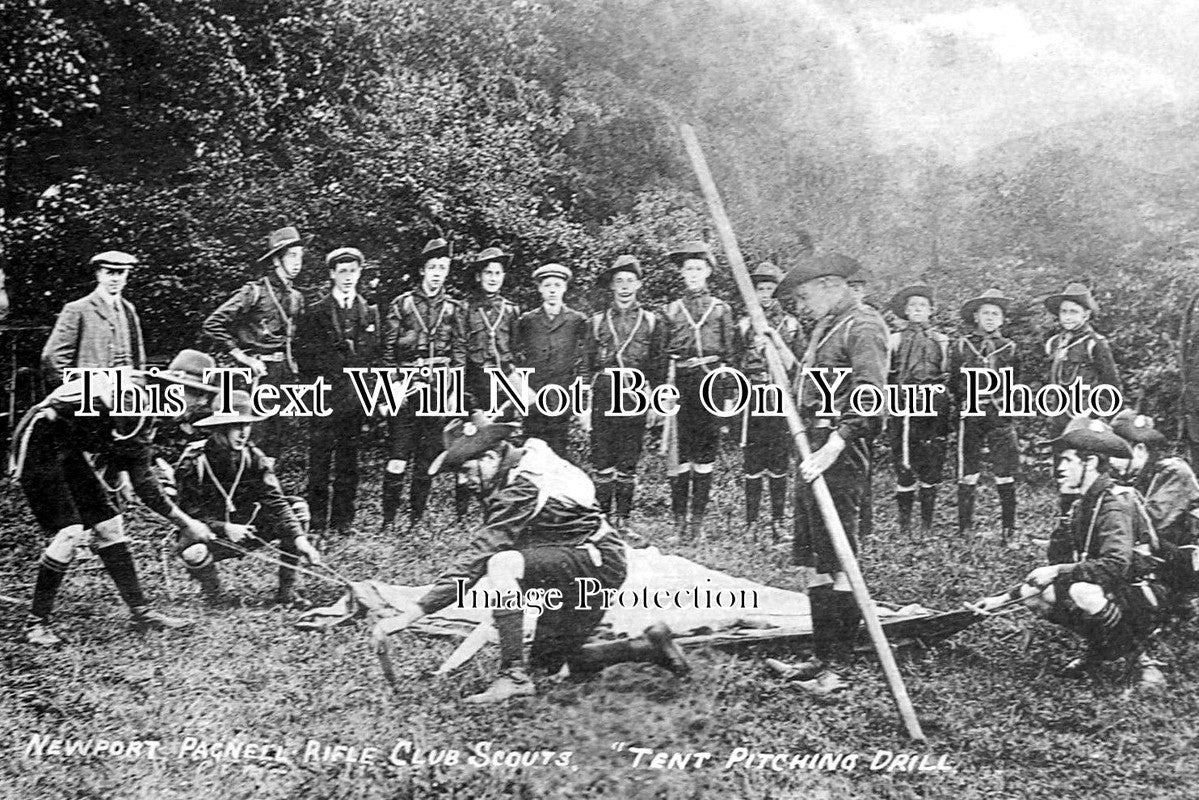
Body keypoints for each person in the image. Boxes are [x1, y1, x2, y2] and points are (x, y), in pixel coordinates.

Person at [372, 412, 689, 704]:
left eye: (467, 470)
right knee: (548, 666)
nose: (463, 482)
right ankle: (649, 647)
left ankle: (513, 676)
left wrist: (410, 614)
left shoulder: (524, 485)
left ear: (493, 456)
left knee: (501, 563)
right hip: (585, 565)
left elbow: (479, 555)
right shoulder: (520, 466)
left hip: (596, 564)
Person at [12, 350, 219, 646]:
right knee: (70, 531)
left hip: (65, 443)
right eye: (196, 393)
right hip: (40, 439)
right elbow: (144, 482)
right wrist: (187, 523)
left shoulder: (147, 408)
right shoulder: (134, 400)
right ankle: (36, 624)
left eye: (203, 395)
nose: (200, 402)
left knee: (110, 525)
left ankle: (141, 612)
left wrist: (117, 470)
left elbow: (123, 454)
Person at [973, 419, 1169, 689]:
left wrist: (1056, 572)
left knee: (1081, 592)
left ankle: (1143, 661)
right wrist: (1001, 599)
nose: (1059, 468)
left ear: (1089, 463)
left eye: (1067, 461)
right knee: (1040, 595)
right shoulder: (1081, 506)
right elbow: (1062, 566)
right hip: (1113, 590)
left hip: (1145, 593)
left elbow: (1116, 565)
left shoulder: (1114, 504)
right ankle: (1099, 650)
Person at [777, 253, 888, 676]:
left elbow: (869, 396)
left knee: (840, 555)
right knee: (815, 556)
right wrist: (778, 348)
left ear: (829, 285)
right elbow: (813, 382)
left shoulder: (864, 325)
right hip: (813, 444)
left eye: (804, 296)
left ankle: (836, 667)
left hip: (840, 449)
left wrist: (834, 446)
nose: (801, 306)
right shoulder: (826, 327)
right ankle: (820, 658)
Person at [172, 390, 324, 609]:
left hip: (248, 530)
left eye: (247, 425)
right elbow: (188, 517)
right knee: (192, 551)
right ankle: (214, 595)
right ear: (219, 427)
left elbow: (276, 501)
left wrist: (301, 540)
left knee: (297, 508)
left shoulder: (253, 457)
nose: (243, 433)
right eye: (236, 426)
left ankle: (287, 594)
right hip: (211, 536)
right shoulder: (194, 462)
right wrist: (225, 527)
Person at [381, 237, 467, 531]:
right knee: (397, 455)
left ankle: (415, 521)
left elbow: (458, 354)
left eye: (443, 268)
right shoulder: (402, 304)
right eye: (432, 267)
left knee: (426, 458)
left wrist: (454, 391)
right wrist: (391, 385)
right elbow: (389, 351)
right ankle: (388, 521)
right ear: (422, 270)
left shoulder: (455, 308)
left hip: (439, 388)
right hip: (406, 386)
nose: (437, 273)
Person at [294, 247, 379, 540]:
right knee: (319, 461)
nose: (347, 277)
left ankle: (343, 522)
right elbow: (303, 356)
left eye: (352, 271)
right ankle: (317, 522)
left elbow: (373, 359)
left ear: (360, 274)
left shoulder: (368, 312)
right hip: (325, 398)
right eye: (341, 271)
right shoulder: (316, 312)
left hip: (355, 400)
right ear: (332, 274)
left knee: (349, 463)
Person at [202, 225, 308, 459]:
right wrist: (242, 356)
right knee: (252, 435)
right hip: (256, 374)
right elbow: (213, 324)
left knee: (276, 437)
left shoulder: (296, 297)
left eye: (300, 256)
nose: (297, 262)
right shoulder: (254, 292)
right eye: (292, 255)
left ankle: (268, 490)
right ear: (277, 260)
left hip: (283, 373)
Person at [583, 255, 665, 531]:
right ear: (611, 286)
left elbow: (658, 367)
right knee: (602, 459)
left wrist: (655, 403)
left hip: (635, 393)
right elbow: (586, 366)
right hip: (605, 392)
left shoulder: (651, 321)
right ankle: (603, 520)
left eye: (630, 280)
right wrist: (584, 406)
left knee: (628, 459)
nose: (624, 286)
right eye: (619, 281)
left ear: (639, 284)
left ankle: (624, 521)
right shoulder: (597, 322)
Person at [662, 241, 736, 537]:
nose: (693, 274)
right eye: (688, 269)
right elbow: (662, 353)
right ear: (682, 273)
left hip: (711, 382)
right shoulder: (672, 309)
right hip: (680, 381)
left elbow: (730, 355)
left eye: (699, 268)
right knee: (679, 453)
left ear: (708, 272)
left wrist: (729, 396)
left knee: (705, 454)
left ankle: (697, 523)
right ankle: (679, 522)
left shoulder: (721, 309)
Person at [1042, 281, 1122, 537]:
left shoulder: (1096, 343)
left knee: (1084, 473)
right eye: (1064, 312)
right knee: (1063, 472)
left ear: (1086, 314)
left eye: (1074, 312)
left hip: (1083, 419)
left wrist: (1102, 420)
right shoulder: (1055, 343)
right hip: (1060, 418)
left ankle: (1087, 530)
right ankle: (1065, 530)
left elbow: (1113, 387)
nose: (1068, 317)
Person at [949, 288, 1021, 540]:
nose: (990, 318)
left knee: (1005, 470)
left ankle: (1008, 528)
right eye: (985, 313)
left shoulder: (1009, 347)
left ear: (1002, 319)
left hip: (999, 413)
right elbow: (954, 382)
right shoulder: (961, 345)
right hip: (971, 413)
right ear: (976, 317)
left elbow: (1014, 382)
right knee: (968, 470)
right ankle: (965, 528)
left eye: (995, 314)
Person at [1108, 409, 1199, 607]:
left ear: (1140, 449)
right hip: (1169, 555)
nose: (1111, 460)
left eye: (1117, 452)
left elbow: (1151, 524)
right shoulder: (1137, 475)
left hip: (1188, 561)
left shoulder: (1174, 472)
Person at [736, 262, 800, 539]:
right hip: (753, 394)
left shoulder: (791, 324)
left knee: (778, 462)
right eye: (759, 288)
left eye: (769, 288)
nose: (764, 294)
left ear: (777, 291)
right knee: (752, 461)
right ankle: (750, 524)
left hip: (780, 396)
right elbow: (734, 364)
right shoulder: (743, 325)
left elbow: (798, 365)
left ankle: (777, 522)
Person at [459, 246, 521, 517]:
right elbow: (460, 350)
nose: (493, 278)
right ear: (478, 277)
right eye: (488, 273)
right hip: (475, 381)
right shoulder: (465, 308)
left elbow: (517, 350)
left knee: (503, 445)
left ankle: (499, 507)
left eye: (498, 273)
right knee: (471, 444)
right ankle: (462, 512)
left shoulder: (512, 310)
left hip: (504, 382)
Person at [887, 284, 950, 539]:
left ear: (931, 311)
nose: (917, 310)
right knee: (904, 459)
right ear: (905, 310)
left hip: (933, 403)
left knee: (932, 457)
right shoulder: (895, 339)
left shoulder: (941, 340)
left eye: (922, 306)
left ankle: (926, 525)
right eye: (912, 306)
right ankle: (904, 526)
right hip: (904, 404)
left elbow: (948, 373)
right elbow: (886, 373)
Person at [41, 251, 146, 386]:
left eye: (120, 273)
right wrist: (73, 390)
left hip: (125, 389)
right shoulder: (78, 309)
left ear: (127, 275)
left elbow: (138, 354)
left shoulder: (128, 309)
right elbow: (53, 357)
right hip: (91, 391)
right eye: (109, 273)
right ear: (98, 274)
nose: (115, 279)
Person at [516, 263, 587, 458]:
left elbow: (584, 360)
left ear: (565, 288)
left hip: (561, 396)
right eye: (547, 285)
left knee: (558, 451)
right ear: (539, 289)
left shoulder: (576, 320)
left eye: (557, 285)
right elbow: (516, 356)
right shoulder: (527, 320)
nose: (553, 290)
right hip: (533, 397)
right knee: (531, 450)